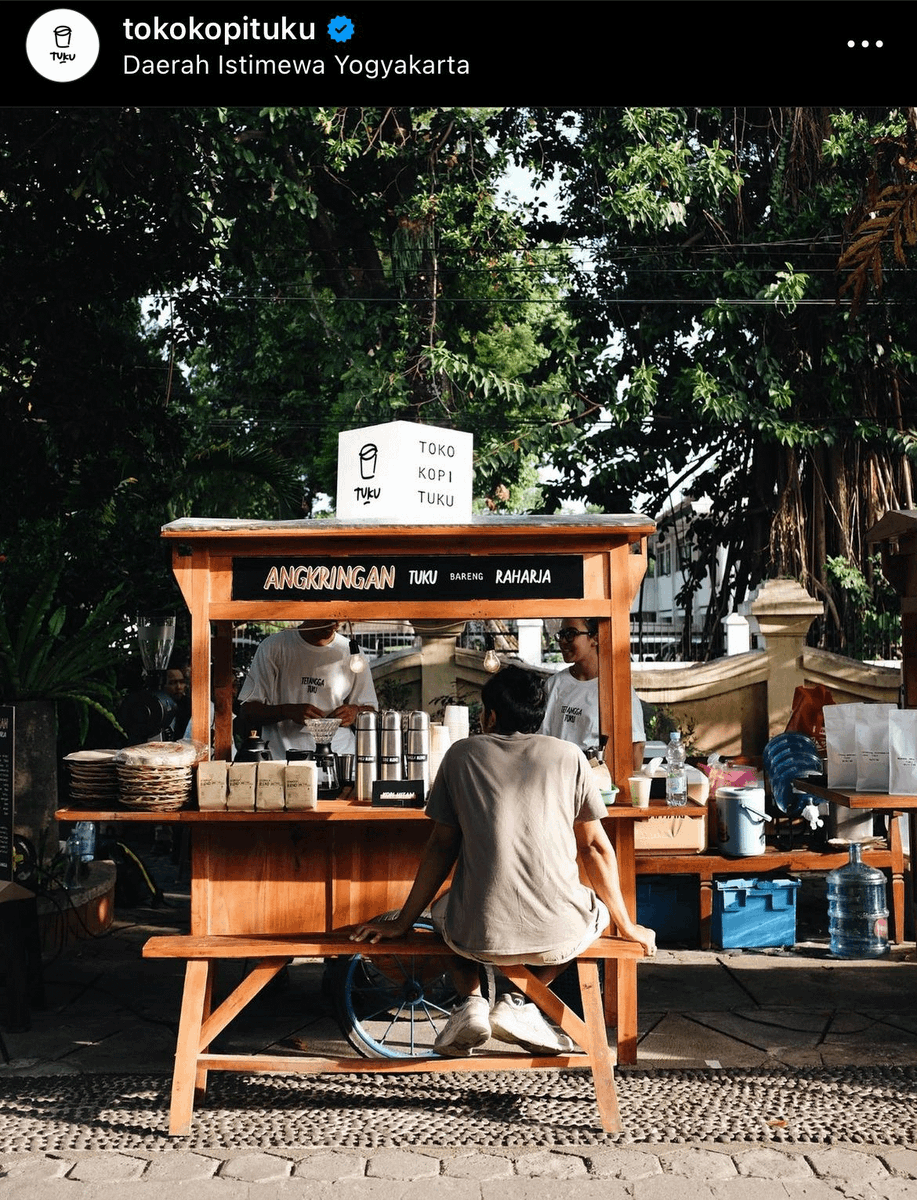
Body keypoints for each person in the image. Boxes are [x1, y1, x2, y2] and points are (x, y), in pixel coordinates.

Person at [351, 666, 655, 1057]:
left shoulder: (460, 755)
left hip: (478, 935)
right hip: (556, 933)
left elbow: (441, 846)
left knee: (443, 911)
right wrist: (627, 925)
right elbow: (595, 847)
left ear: (490, 716)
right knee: (594, 913)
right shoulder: (570, 756)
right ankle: (518, 1001)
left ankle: (471, 1001)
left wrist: (403, 921)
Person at [238, 620, 377, 756]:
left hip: (340, 757)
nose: (333, 625)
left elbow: (372, 711)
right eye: (325, 619)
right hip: (285, 758)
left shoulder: (352, 652)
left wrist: (355, 712)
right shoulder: (274, 646)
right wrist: (287, 711)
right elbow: (248, 711)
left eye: (337, 619)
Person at [540, 617, 645, 772]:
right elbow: (540, 740)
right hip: (557, 777)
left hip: (596, 779)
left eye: (571, 634)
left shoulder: (616, 689)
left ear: (595, 638)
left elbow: (635, 747)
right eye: (561, 634)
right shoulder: (554, 684)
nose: (562, 641)